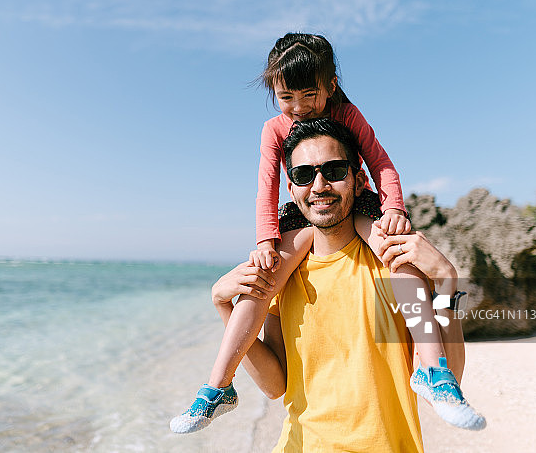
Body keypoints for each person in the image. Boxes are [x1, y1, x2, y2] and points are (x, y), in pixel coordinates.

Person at [171, 33, 483, 433]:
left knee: (397, 256)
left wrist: (399, 219)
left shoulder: (348, 114)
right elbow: (266, 184)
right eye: (287, 98)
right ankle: (217, 386)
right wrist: (259, 249)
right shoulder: (274, 130)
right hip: (301, 437)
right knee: (261, 280)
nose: (299, 108)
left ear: (330, 85)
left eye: (309, 95)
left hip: (369, 207)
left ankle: (434, 372)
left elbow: (382, 164)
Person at [211, 119, 484, 451]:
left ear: (358, 180)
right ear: (291, 188)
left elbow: (446, 375)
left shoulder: (395, 266)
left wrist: (446, 282)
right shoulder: (280, 276)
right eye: (303, 175)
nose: (319, 185)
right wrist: (224, 306)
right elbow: (273, 384)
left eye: (335, 170)